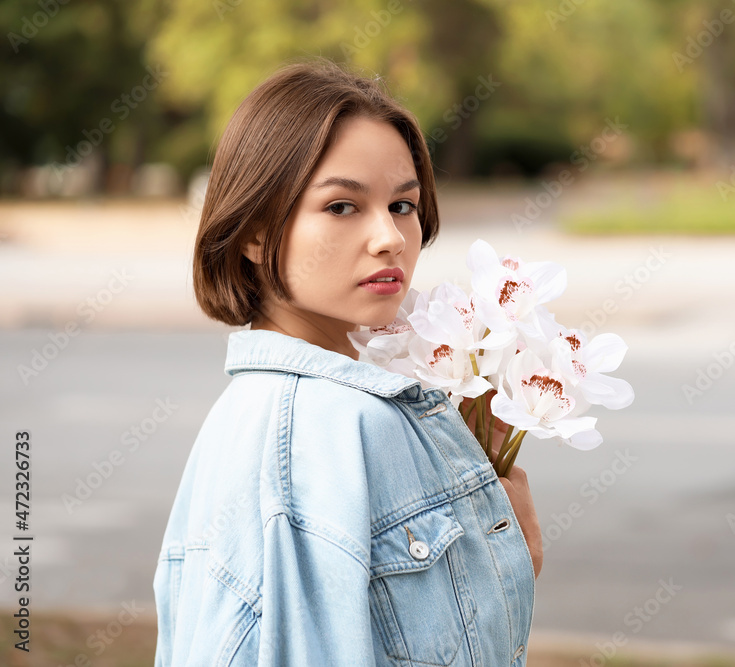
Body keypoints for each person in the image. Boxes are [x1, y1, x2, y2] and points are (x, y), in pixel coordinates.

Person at [152, 59, 542, 666]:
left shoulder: (283, 409)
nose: (389, 237)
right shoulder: (325, 426)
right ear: (254, 232)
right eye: (341, 207)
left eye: (404, 206)